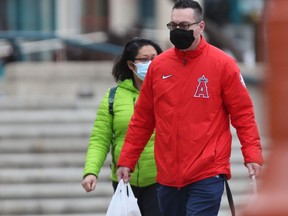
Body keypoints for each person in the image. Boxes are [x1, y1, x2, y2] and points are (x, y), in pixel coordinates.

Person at [116, 1, 264, 216]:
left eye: (184, 26)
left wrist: (252, 155)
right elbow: (143, 118)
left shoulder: (223, 64)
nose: (178, 31)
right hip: (168, 176)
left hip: (207, 172)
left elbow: (243, 114)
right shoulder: (159, 66)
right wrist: (127, 160)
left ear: (200, 27)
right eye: (173, 25)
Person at [82, 38, 163, 216]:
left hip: (160, 180)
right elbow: (100, 138)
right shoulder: (113, 97)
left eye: (155, 58)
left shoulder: (167, 93)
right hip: (124, 179)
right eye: (144, 59)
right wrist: (91, 172)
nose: (150, 64)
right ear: (131, 65)